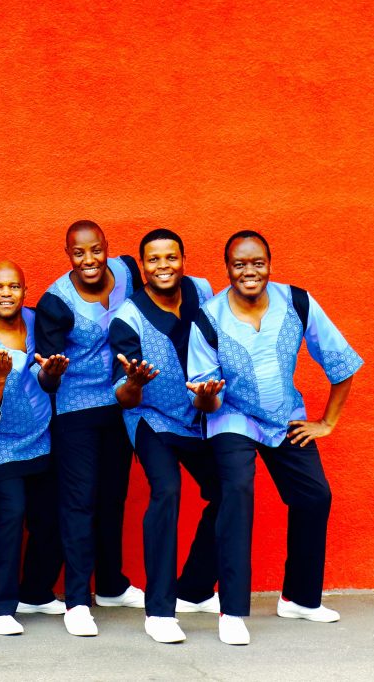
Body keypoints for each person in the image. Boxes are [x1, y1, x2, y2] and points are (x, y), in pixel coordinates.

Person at [187, 230, 363, 645]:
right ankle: (231, 610)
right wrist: (208, 399)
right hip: (231, 417)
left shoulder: (298, 302)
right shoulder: (208, 317)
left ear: (270, 262)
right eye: (239, 264)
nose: (249, 271)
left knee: (314, 496)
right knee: (237, 494)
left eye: (257, 262)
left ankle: (300, 598)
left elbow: (342, 361)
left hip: (286, 417)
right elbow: (203, 399)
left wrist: (327, 421)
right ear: (227, 268)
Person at [108, 229, 221, 644]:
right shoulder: (129, 317)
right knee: (167, 491)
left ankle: (194, 587)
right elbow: (122, 395)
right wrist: (134, 383)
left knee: (229, 490)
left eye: (170, 257)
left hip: (199, 414)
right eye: (153, 260)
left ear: (184, 259)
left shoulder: (204, 292)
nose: (163, 266)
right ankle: (160, 611)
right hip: (150, 418)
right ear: (142, 266)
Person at [34, 220, 145, 636]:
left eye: (95, 250)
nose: (89, 260)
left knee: (114, 496)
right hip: (75, 410)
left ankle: (112, 585)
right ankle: (78, 600)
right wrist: (53, 374)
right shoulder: (55, 302)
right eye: (79, 253)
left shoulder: (130, 272)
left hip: (120, 404)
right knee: (79, 503)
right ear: (68, 256)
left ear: (107, 247)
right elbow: (46, 377)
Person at [0, 260, 66, 636]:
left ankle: (36, 592)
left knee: (49, 517)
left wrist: (52, 372)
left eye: (14, 286)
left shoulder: (38, 322)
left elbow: (49, 378)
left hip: (41, 438)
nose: (7, 293)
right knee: (10, 516)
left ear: (24, 291)